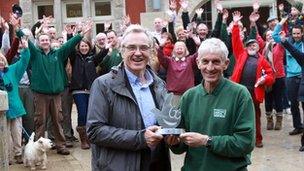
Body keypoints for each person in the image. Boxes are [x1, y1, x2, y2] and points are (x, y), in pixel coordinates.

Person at [87, 24, 171, 170]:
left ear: (151, 51)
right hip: (119, 165)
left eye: (143, 48)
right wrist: (140, 138)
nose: (138, 53)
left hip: (156, 164)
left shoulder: (159, 84)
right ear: (122, 51)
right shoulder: (103, 85)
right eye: (132, 47)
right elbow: (94, 131)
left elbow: (165, 123)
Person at [166, 38, 255, 170]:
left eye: (216, 62)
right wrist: (174, 142)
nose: (210, 68)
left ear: (226, 63)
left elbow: (245, 143)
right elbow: (181, 146)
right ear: (198, 63)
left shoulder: (240, 94)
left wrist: (207, 141)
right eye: (205, 61)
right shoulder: (189, 97)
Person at [15, 19, 93, 155]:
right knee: (40, 121)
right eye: (42, 40)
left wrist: (81, 34)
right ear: (38, 43)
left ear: (50, 42)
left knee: (58, 120)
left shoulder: (58, 53)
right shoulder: (35, 54)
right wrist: (17, 28)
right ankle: (38, 149)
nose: (45, 42)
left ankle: (60, 145)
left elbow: (70, 44)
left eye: (47, 40)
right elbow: (24, 38)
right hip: (40, 94)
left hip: (56, 94)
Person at [231, 11, 274, 148]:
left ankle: (258, 139)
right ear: (246, 47)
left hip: (255, 94)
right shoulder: (241, 55)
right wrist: (236, 24)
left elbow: (271, 76)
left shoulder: (262, 60)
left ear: (258, 47)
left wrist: (264, 79)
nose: (251, 46)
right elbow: (236, 41)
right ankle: (239, 138)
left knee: (255, 117)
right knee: (238, 116)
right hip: (240, 92)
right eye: (249, 45)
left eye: (254, 45)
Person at [0, 38, 30, 164]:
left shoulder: (12, 70)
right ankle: (5, 156)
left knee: (17, 133)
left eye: (1, 59)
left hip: (15, 107)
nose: (0, 62)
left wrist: (26, 48)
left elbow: (24, 61)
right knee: (3, 135)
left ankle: (18, 153)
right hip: (1, 109)